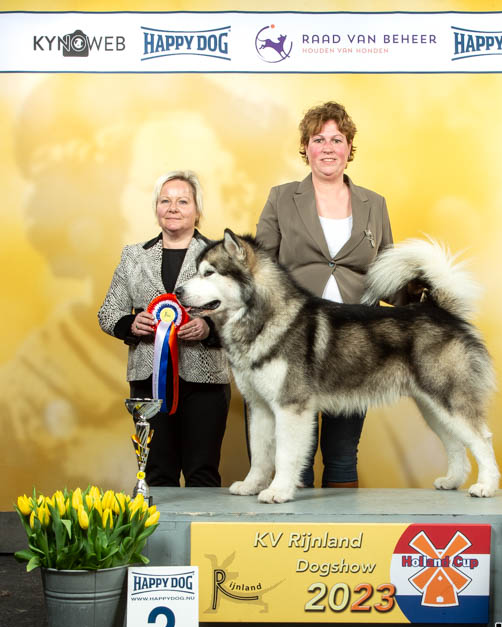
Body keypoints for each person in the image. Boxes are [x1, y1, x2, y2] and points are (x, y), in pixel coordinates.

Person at [255, 101, 399, 489]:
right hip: (293, 341)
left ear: (350, 148)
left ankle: (342, 527)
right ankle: (293, 524)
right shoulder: (281, 197)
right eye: (319, 139)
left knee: (343, 451)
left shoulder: (375, 204)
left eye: (337, 139)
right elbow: (260, 267)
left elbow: (388, 273)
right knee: (293, 449)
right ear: (305, 147)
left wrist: (426, 300)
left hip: (355, 341)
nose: (328, 148)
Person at [98, 171, 231, 487]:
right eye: (165, 201)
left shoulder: (221, 256)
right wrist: (131, 323)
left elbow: (242, 312)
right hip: (149, 382)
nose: (173, 208)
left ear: (197, 210)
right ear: (156, 208)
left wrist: (208, 328)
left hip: (205, 382)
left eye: (183, 201)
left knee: (202, 474)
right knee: (156, 473)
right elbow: (108, 313)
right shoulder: (133, 256)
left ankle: (203, 524)